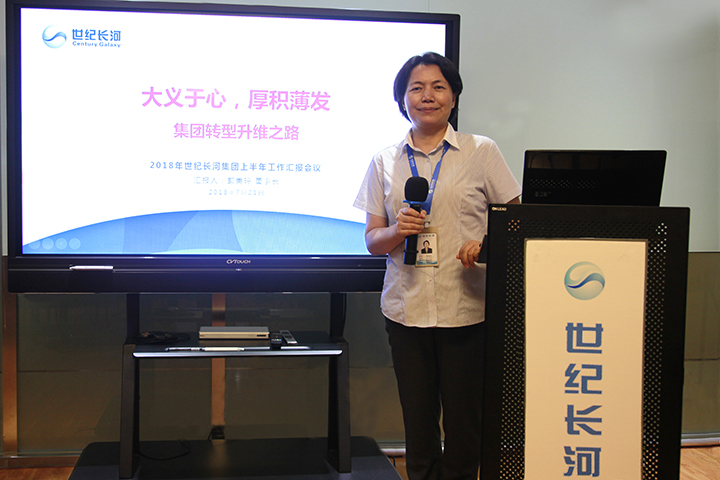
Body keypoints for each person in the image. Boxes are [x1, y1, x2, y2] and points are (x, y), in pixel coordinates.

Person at [353, 52, 521, 480]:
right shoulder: (384, 161)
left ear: (453, 97)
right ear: (402, 100)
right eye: (416, 88)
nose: (427, 96)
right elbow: (372, 241)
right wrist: (398, 230)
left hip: (466, 307)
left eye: (438, 87)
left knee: (465, 421)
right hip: (406, 310)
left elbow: (516, 223)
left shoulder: (481, 151)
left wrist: (485, 244)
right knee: (418, 419)